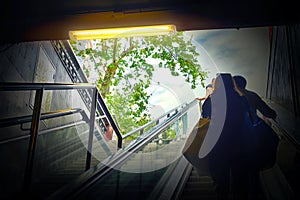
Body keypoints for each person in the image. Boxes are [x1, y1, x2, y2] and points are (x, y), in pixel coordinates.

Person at [201, 73, 249, 200]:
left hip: (217, 144)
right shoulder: (241, 99)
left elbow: (205, 117)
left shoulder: (211, 101)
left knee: (220, 181)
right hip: (239, 142)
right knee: (239, 180)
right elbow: (247, 115)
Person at [233, 75, 277, 200]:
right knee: (252, 172)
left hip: (232, 141)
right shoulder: (251, 95)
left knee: (236, 175)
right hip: (252, 138)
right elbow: (269, 113)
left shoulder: (226, 98)